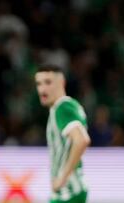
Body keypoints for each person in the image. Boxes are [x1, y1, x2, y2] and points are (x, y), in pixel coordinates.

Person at [34, 65, 90, 203]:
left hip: (68, 193)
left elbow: (81, 140)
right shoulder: (71, 105)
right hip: (72, 191)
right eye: (39, 84)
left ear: (62, 83)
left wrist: (62, 178)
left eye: (48, 82)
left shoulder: (62, 107)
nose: (42, 89)